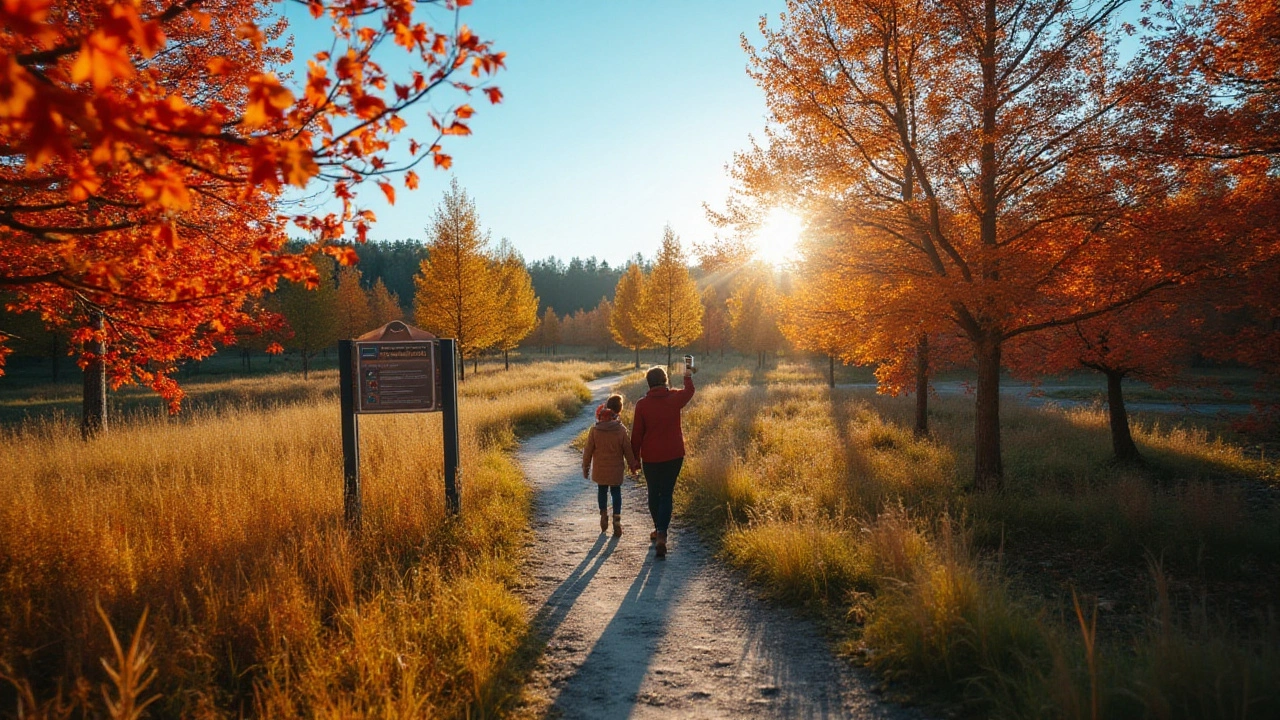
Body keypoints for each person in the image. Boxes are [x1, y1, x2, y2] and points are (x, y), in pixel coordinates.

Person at [631, 364, 694, 559]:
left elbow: (636, 435)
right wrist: (687, 374)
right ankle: (662, 534)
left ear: (649, 383)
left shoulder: (642, 404)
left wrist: (634, 460)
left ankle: (658, 529)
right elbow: (689, 391)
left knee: (653, 492)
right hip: (674, 455)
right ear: (665, 381)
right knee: (666, 493)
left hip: (650, 456)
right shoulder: (674, 399)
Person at [582, 394, 639, 537]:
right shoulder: (620, 430)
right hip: (616, 470)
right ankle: (617, 520)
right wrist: (633, 465)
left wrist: (586, 467)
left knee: (602, 491)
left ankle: (603, 513)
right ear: (619, 411)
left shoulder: (595, 430)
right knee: (616, 493)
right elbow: (628, 450)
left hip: (600, 469)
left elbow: (588, 450)